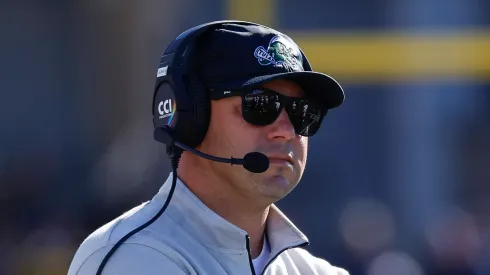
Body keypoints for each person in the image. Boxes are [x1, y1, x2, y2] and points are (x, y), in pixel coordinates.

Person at [67, 20, 348, 275]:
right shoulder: (135, 258)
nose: (286, 131)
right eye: (260, 105)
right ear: (191, 117)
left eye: (302, 112)